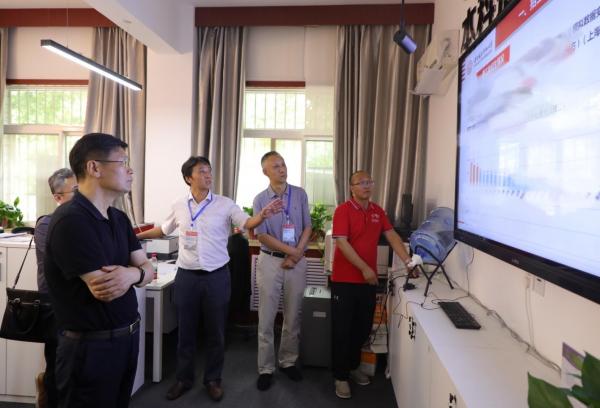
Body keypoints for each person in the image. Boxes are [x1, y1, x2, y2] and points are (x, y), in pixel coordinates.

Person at [137, 156, 283, 402]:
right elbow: (163, 230)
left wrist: (263, 215)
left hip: (216, 276)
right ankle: (183, 379)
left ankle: (213, 379)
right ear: (188, 178)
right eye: (202, 171)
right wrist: (135, 236)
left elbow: (247, 222)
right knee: (185, 331)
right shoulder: (179, 205)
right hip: (187, 276)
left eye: (209, 171)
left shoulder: (225, 204)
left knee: (216, 332)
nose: (208, 175)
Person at [44, 133, 154, 408]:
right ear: (94, 167)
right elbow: (107, 290)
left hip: (125, 340)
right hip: (89, 349)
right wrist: (137, 273)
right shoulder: (71, 221)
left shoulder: (118, 218)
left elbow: (147, 269)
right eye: (123, 162)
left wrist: (132, 274)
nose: (130, 171)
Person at [330, 170, 421, 399]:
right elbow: (342, 243)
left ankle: (353, 367)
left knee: (362, 328)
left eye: (369, 181)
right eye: (360, 182)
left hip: (367, 281)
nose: (366, 185)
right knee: (342, 329)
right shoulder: (343, 210)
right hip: (345, 281)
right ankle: (340, 377)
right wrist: (364, 268)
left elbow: (393, 237)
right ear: (351, 188)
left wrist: (409, 262)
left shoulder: (377, 211)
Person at [252, 151, 312, 391]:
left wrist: (295, 255)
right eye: (275, 166)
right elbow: (262, 236)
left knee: (293, 315)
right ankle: (266, 368)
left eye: (283, 164)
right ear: (265, 171)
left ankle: (288, 361)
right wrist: (291, 252)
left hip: (296, 263)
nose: (282, 169)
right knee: (266, 318)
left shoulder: (300, 194)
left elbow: (308, 227)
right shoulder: (260, 199)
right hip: (270, 262)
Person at [33, 168, 78, 408]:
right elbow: (69, 263)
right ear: (58, 197)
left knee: (75, 367)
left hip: (77, 305)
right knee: (57, 363)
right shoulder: (46, 224)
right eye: (76, 191)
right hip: (54, 305)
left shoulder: (85, 221)